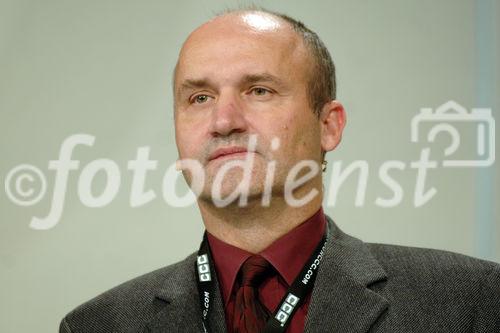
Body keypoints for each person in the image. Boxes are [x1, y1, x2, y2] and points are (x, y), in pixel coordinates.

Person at [60, 9, 500, 333]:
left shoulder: (471, 301)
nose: (224, 119)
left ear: (328, 126)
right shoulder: (98, 325)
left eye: (259, 90)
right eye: (199, 98)